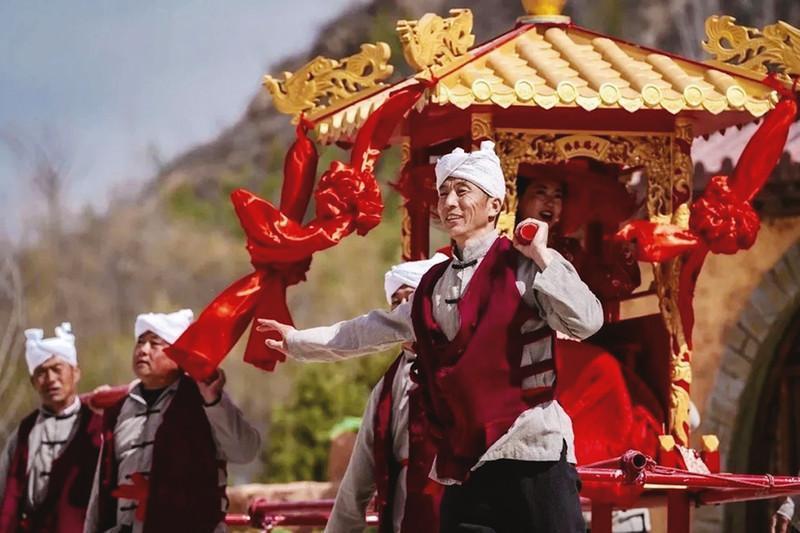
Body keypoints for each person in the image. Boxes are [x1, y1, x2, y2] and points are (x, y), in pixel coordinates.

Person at [259, 141, 603, 533]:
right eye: (444, 193)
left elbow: (587, 321)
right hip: (470, 460)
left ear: (494, 205)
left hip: (532, 450)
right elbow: (370, 329)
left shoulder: (526, 266)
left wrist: (542, 256)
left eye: (462, 191)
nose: (450, 202)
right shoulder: (433, 287)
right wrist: (298, 342)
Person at [84, 309, 262, 533]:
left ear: (177, 355)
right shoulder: (119, 409)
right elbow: (101, 489)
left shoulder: (202, 398)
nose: (143, 350)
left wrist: (214, 401)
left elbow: (244, 452)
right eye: (140, 342)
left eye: (155, 343)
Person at [326, 254, 448, 533]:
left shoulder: (461, 366)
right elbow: (359, 477)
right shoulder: (387, 387)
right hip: (404, 514)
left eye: (412, 298)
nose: (403, 310)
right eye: (396, 302)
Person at [0, 323, 102, 532]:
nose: (51, 379)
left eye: (57, 369)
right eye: (41, 372)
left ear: (75, 373)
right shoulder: (24, 432)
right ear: (33, 382)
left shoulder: (97, 426)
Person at [516, 160, 640, 302]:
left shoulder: (569, 250)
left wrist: (626, 249)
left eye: (557, 196)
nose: (550, 202)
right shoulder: (501, 243)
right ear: (519, 199)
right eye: (541, 193)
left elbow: (609, 285)